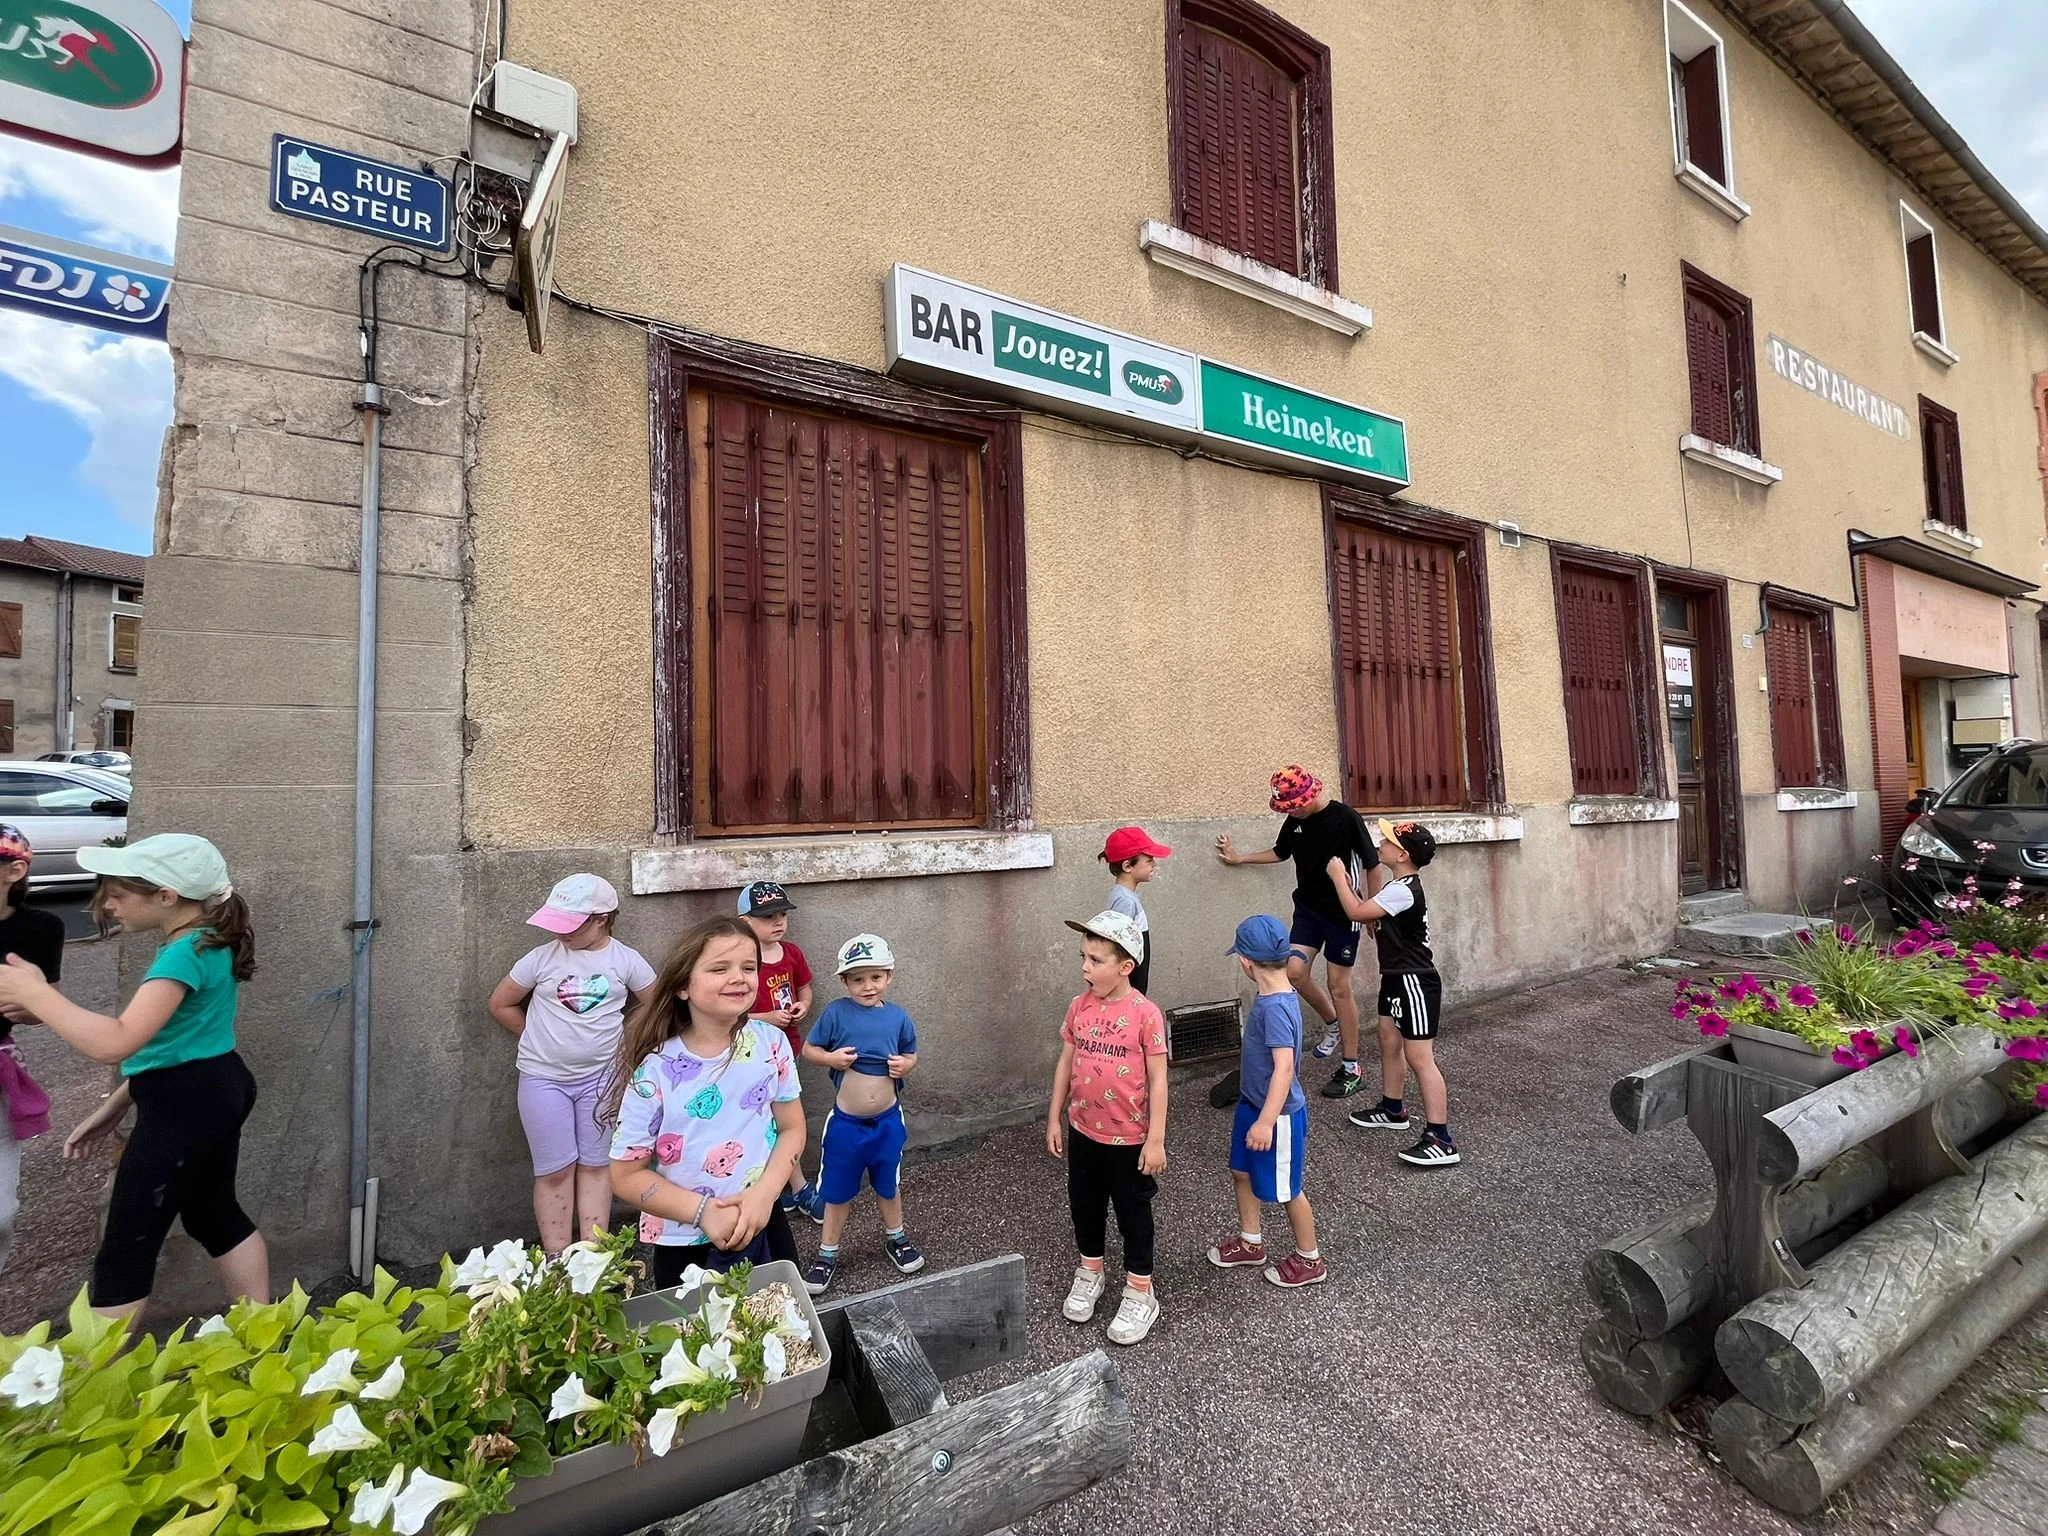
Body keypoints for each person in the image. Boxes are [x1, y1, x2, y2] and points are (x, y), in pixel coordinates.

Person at [0, 833, 269, 1320]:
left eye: (119, 894)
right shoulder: (207, 939)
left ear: (166, 896)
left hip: (186, 1103)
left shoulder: (183, 954)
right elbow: (180, 1043)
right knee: (213, 1213)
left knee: (127, 1242)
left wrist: (36, 993)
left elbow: (116, 1041)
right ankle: (267, 1331)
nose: (108, 905)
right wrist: (117, 1103)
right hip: (214, 1087)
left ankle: (101, 1368)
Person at [605, 916, 807, 1287]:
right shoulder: (656, 1071)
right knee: (699, 1326)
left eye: (748, 967)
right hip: (683, 1240)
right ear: (683, 986)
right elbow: (625, 1175)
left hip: (764, 1220)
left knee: (783, 1319)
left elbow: (792, 1128)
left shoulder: (771, 1043)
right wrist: (704, 1213)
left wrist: (764, 1196)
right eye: (719, 968)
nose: (738, 977)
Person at [488, 873, 656, 1254]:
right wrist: (536, 1038)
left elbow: (655, 1004)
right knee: (554, 1170)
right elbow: (500, 1003)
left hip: (603, 1080)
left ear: (602, 919)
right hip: (543, 1079)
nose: (559, 933)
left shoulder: (625, 960)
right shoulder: (541, 959)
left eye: (570, 925)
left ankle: (592, 1256)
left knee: (597, 1165)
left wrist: (628, 1040)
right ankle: (557, 1259)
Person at [1215, 764, 1378, 1097]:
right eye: (1286, 808)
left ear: (1311, 793)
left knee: (1339, 985)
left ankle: (1352, 1068)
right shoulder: (1295, 820)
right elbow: (1280, 852)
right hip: (1308, 910)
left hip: (1343, 913)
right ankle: (1333, 1023)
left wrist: (1373, 910)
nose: (1292, 812)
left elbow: (1371, 863)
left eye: (1295, 806)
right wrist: (1239, 858)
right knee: (1294, 972)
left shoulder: (1345, 817)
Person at [1046, 909, 1168, 1346]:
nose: (1085, 967)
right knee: (1085, 1206)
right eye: (1083, 957)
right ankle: (1091, 1270)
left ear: (1125, 966)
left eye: (1095, 960)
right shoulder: (1078, 1006)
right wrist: (1054, 1116)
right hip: (1083, 1132)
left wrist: (1156, 1139)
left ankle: (1140, 1290)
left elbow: (1158, 1079)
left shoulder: (1145, 1014)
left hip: (1129, 1140)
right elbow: (1066, 1062)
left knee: (1133, 1215)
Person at [1330, 820, 1459, 1166]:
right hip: (1395, 978)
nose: (1381, 844)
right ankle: (1392, 1108)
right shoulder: (1396, 886)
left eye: (1388, 841)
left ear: (1402, 856)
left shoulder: (1404, 890)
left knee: (1419, 1057)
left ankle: (1441, 1139)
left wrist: (1339, 876)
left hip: (1415, 981)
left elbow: (1356, 912)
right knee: (1388, 1040)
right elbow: (1373, 917)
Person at [1206, 914, 1325, 1288]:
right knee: (1241, 1171)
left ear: (1245, 961)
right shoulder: (1276, 994)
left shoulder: (1275, 1007)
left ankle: (1310, 1259)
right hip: (1253, 1105)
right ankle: (1251, 1242)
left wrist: (1266, 1121)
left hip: (1276, 1116)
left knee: (1288, 1190)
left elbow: (1284, 1069)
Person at [801, 933, 922, 1295]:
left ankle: (896, 1237)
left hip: (887, 1122)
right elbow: (809, 1049)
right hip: (847, 1125)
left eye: (875, 977)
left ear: (889, 976)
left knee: (888, 1183)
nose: (867, 986)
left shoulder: (898, 1017)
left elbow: (911, 1053)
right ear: (844, 982)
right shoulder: (836, 1013)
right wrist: (831, 1058)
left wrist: (907, 1065)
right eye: (857, 979)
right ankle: (827, 1253)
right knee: (837, 1191)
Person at [736, 879, 824, 1222]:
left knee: (785, 1114)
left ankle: (786, 1189)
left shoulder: (791, 953)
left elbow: (805, 987)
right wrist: (766, 1018)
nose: (778, 922)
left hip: (787, 1047)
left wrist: (803, 1005)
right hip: (750, 1049)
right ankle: (797, 1187)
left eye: (782, 915)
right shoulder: (741, 960)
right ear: (745, 921)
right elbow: (730, 1011)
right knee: (770, 1118)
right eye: (767, 916)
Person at [0, 825, 61, 1275]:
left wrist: (32, 1005)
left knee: (1, 1213)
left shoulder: (42, 928)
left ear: (14, 870)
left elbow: (45, 1008)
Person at [1099, 827, 1170, 996]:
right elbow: (1119, 947)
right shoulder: (1125, 901)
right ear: (1127, 866)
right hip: (1128, 987)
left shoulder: (1124, 895)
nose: (1154, 864)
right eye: (1149, 860)